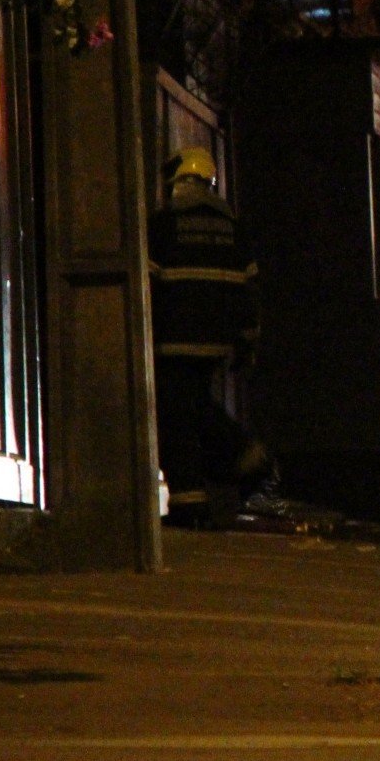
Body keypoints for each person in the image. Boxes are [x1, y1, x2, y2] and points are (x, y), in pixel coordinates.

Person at [149, 146, 268, 527]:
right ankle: (244, 460)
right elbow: (250, 292)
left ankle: (191, 503)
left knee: (176, 419)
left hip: (172, 340)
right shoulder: (234, 228)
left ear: (180, 182)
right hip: (215, 343)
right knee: (195, 406)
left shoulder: (164, 225)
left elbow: (147, 284)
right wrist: (247, 343)